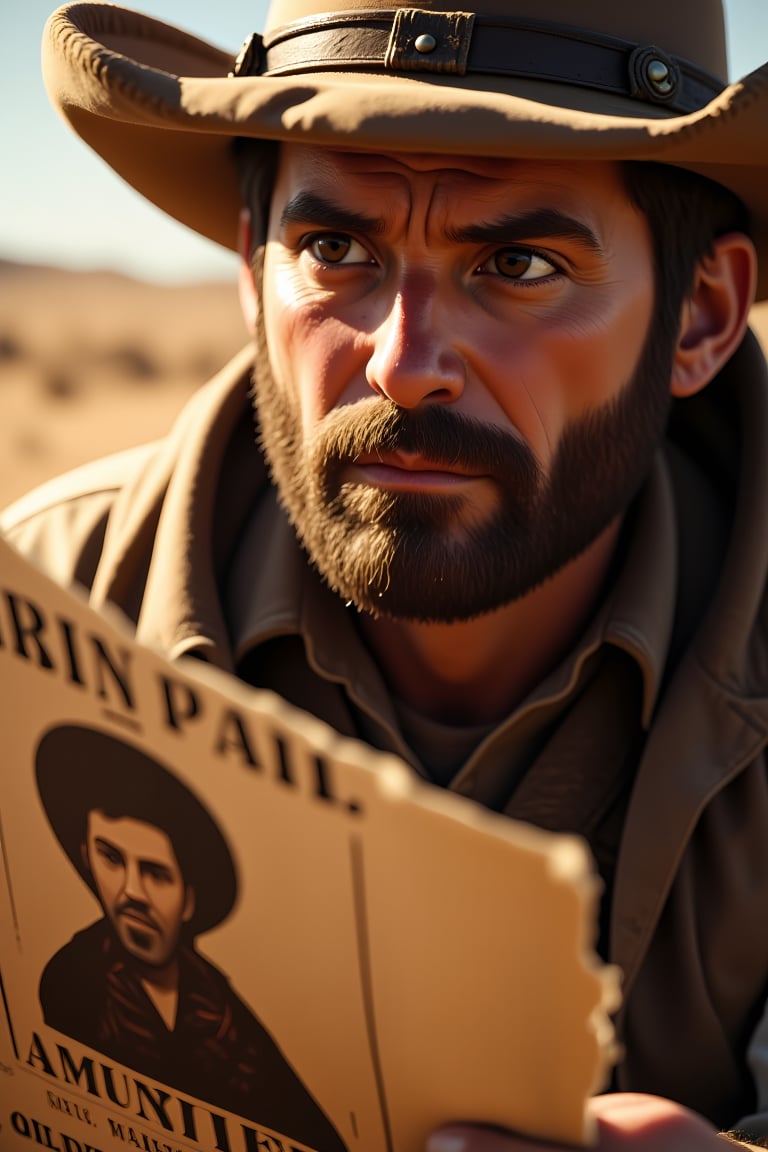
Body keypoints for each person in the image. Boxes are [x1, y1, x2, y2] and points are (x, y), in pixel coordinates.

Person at [3, 0, 768, 1147]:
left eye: (517, 263)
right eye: (335, 252)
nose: (405, 368)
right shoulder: (40, 612)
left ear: (700, 316)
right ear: (249, 279)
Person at [35, 724, 347, 1152]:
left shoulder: (219, 1006)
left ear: (189, 900)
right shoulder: (72, 977)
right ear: (87, 857)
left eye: (155, 874)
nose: (130, 892)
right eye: (110, 858)